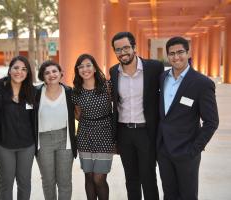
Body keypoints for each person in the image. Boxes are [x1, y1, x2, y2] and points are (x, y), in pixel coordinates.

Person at [157, 36, 219, 200]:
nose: (176, 57)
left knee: (188, 195)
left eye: (180, 52)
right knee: (169, 194)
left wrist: (194, 149)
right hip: (164, 150)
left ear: (188, 52)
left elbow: (211, 122)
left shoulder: (202, 83)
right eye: (172, 53)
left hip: (186, 151)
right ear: (167, 56)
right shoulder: (163, 78)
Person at [109, 31, 163, 200]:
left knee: (148, 178)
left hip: (146, 132)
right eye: (118, 50)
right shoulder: (113, 72)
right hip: (124, 132)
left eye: (126, 47)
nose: (122, 52)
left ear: (134, 47)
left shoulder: (154, 68)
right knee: (131, 179)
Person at [0, 56, 37, 200]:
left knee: (24, 183)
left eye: (24, 69)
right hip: (3, 145)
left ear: (28, 73)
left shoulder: (33, 92)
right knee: (6, 183)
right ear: (9, 70)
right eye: (16, 68)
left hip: (27, 146)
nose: (19, 72)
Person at [72, 54, 115, 200]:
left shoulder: (107, 86)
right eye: (81, 67)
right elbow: (77, 115)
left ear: (95, 68)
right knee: (88, 176)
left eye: (88, 65)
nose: (85, 69)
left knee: (99, 178)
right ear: (77, 70)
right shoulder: (76, 91)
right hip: (85, 135)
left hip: (105, 135)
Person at [35, 60, 77, 200]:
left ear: (61, 74)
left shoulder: (69, 92)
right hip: (43, 140)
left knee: (65, 181)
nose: (51, 75)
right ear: (42, 76)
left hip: (65, 139)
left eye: (54, 71)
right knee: (48, 181)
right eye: (47, 73)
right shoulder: (36, 93)